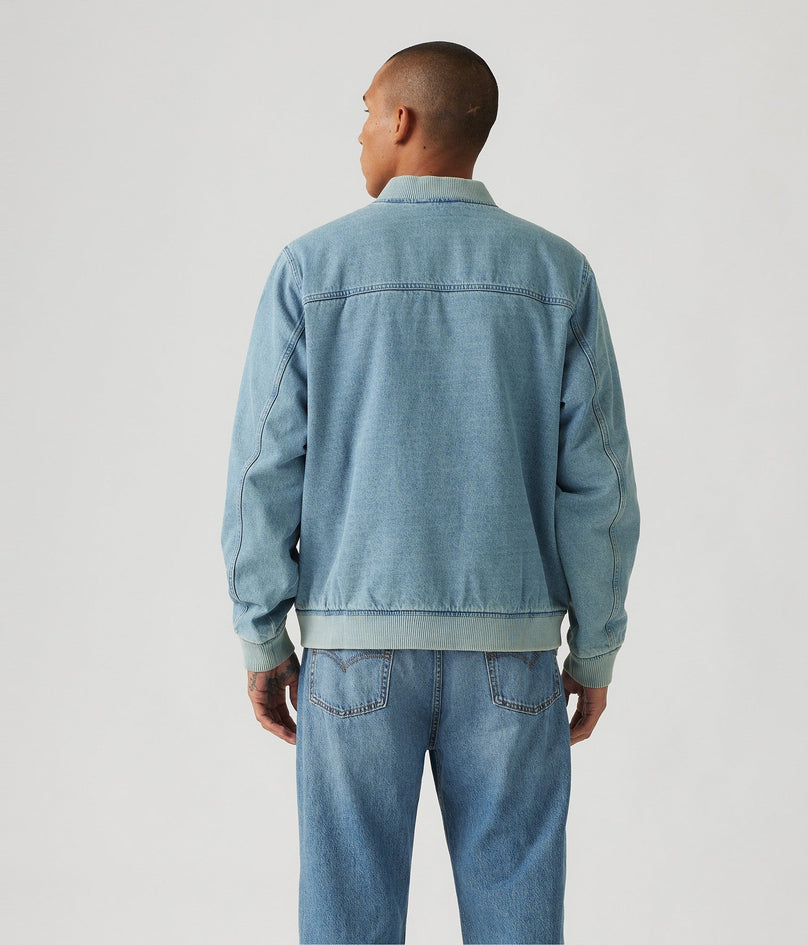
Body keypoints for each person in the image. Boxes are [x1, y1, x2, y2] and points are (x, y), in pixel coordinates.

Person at [220, 40, 641, 945]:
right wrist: (596, 648)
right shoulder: (557, 274)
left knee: (347, 918)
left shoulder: (311, 268)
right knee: (517, 915)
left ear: (403, 120)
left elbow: (262, 469)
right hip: (512, 655)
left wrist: (263, 634)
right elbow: (599, 486)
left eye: (367, 114)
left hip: (353, 654)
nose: (360, 135)